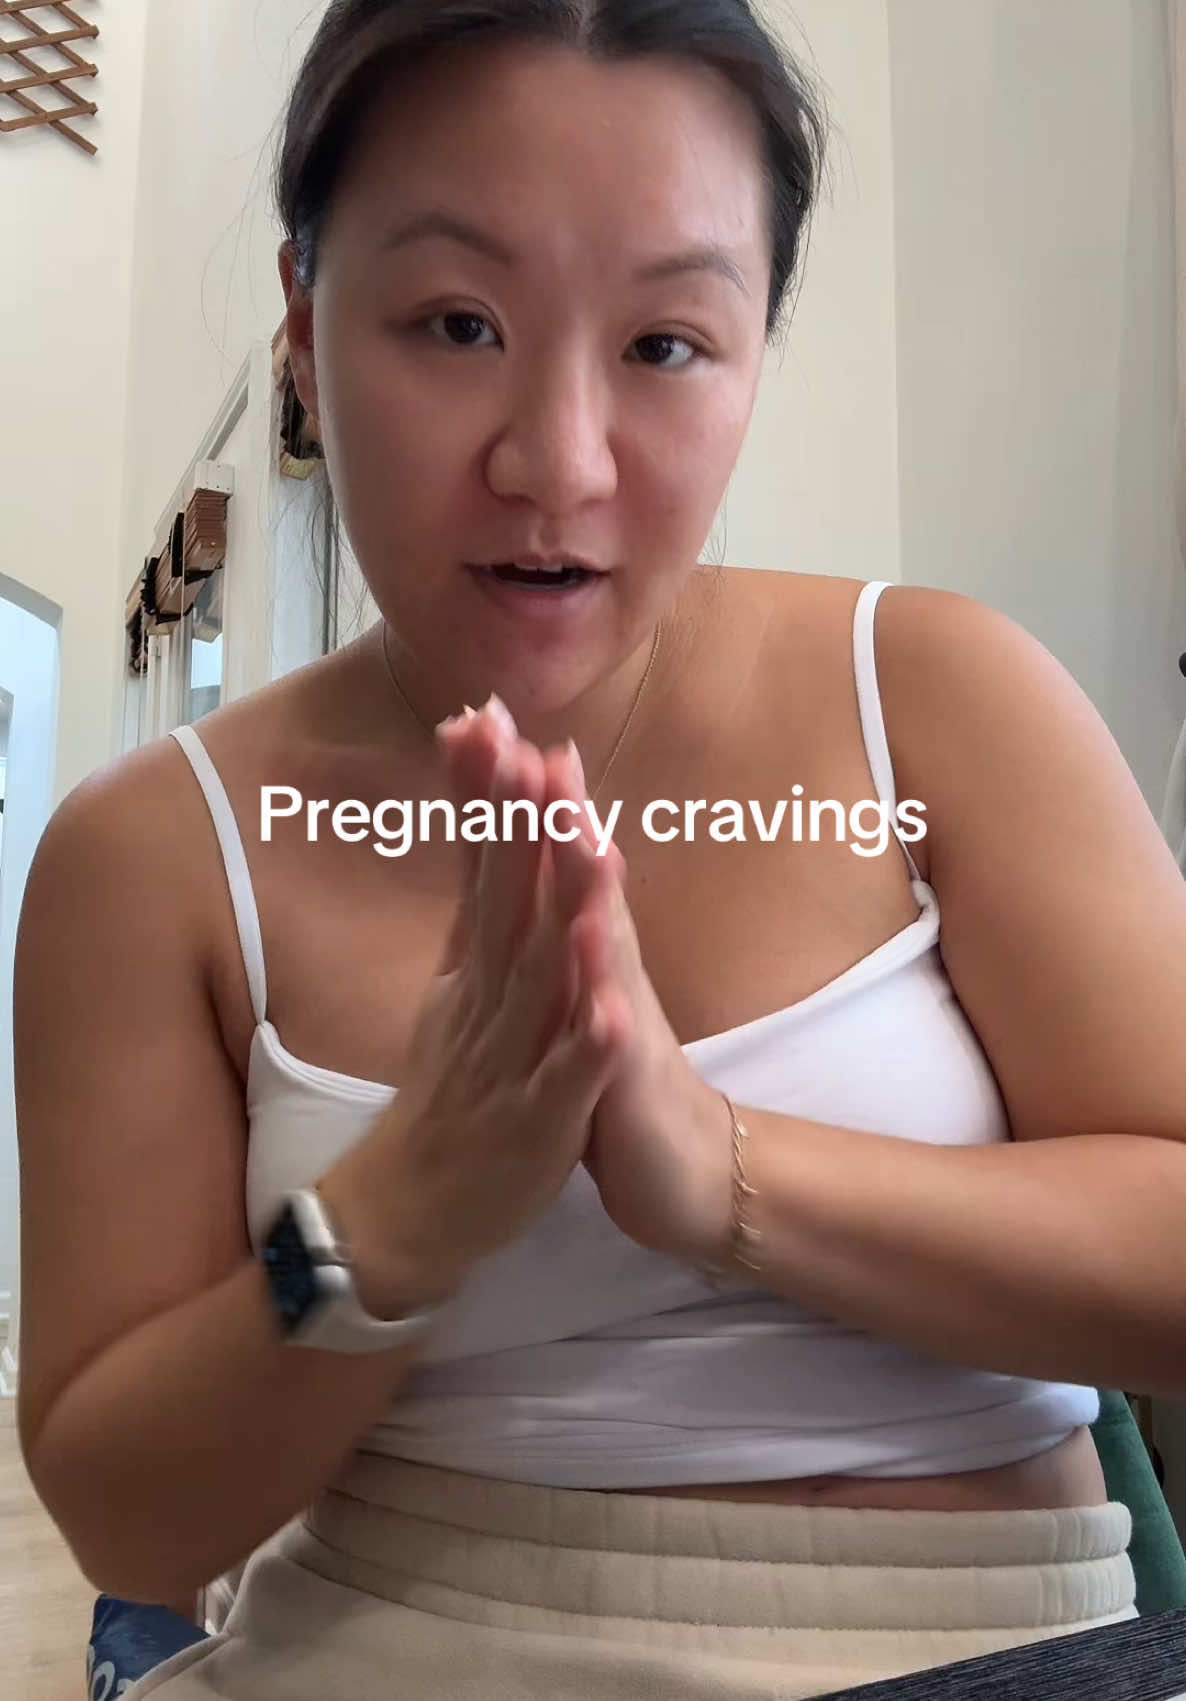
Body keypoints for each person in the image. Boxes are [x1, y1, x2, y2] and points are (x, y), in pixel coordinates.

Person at [15, 3, 1186, 1697]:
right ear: (303, 326)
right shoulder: (154, 852)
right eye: (458, 323)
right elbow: (127, 1512)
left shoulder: (933, 696)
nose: (554, 462)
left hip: (991, 1642)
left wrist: (714, 1166)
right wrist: (389, 1216)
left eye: (663, 344)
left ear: (754, 350)